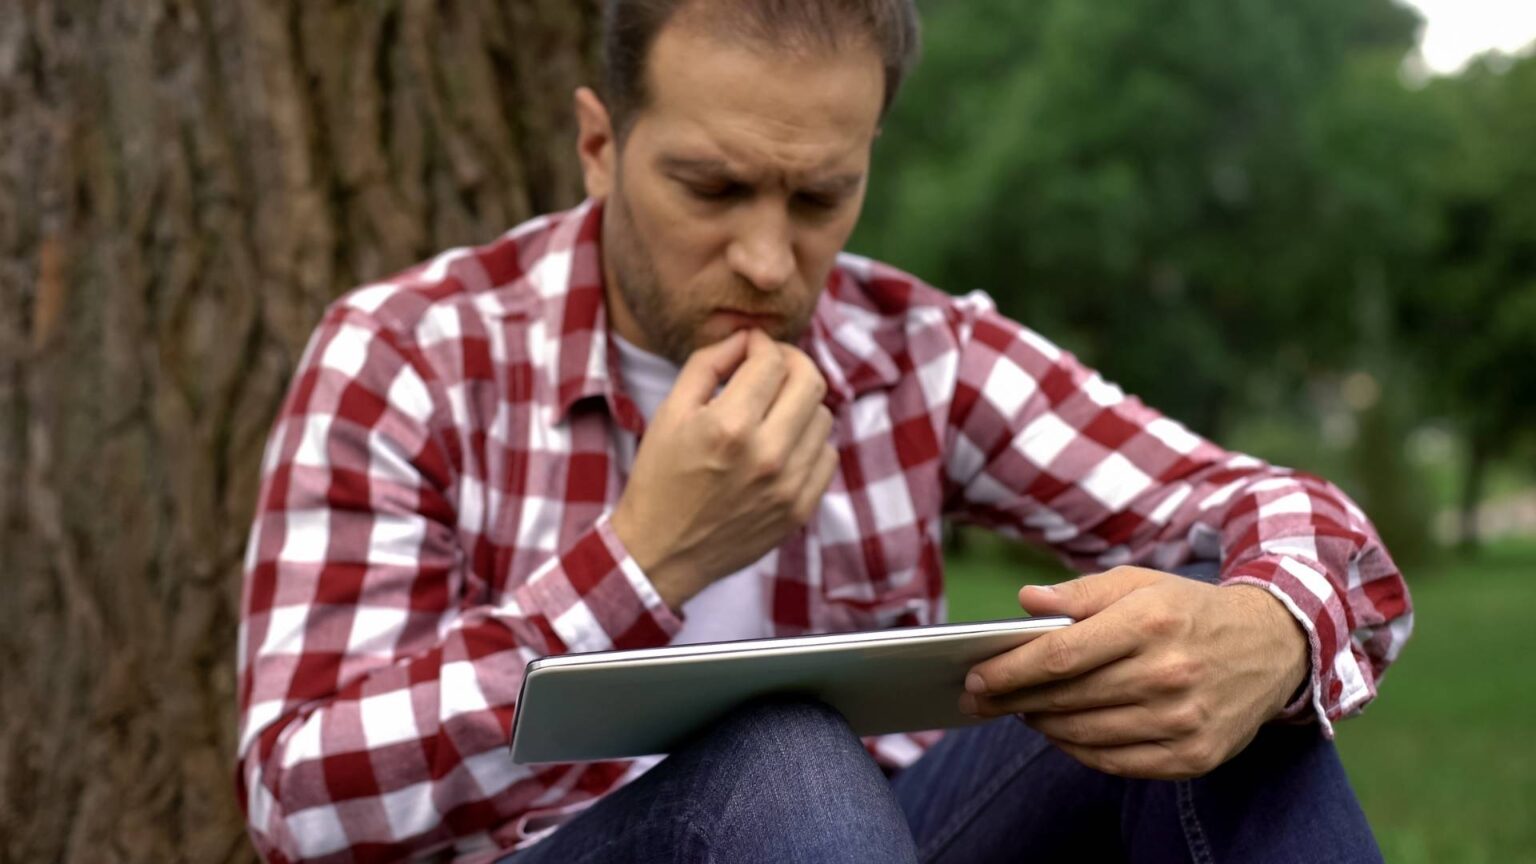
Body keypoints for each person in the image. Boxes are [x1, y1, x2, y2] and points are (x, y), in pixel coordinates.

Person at [235, 1, 1412, 861]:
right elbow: (299, 803)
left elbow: (1284, 515)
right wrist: (643, 562)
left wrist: (1273, 634)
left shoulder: (909, 347)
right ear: (600, 146)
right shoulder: (408, 356)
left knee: (1208, 643)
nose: (764, 257)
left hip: (871, 845)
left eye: (818, 200)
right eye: (710, 189)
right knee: (783, 754)